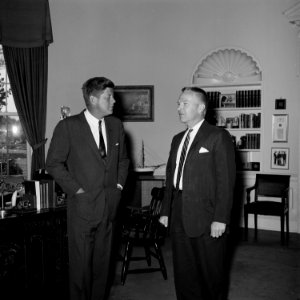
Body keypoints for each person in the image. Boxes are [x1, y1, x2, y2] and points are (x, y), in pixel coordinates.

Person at [46, 77, 129, 300]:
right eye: (108, 97)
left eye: (112, 96)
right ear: (92, 99)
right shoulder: (68, 127)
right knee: (81, 270)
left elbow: (123, 160)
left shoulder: (115, 125)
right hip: (82, 209)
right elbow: (53, 163)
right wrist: (78, 191)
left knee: (103, 270)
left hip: (109, 206)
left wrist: (118, 187)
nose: (113, 101)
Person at [159, 86, 236, 300]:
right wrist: (166, 210)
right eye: (178, 103)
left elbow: (226, 181)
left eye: (184, 103)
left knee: (212, 278)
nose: (178, 108)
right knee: (184, 277)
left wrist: (220, 218)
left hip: (208, 217)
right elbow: (170, 178)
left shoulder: (218, 136)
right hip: (179, 215)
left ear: (201, 108)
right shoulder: (177, 139)